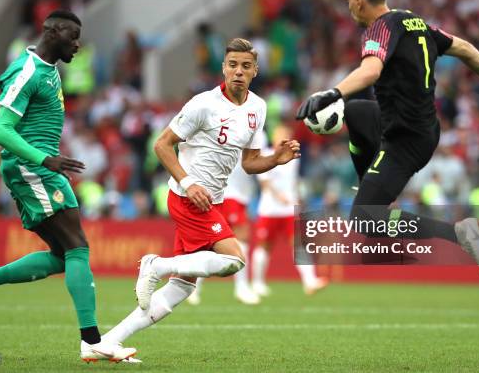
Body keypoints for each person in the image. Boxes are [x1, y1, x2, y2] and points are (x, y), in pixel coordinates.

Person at [296, 0, 479, 273]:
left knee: (363, 220)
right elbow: (465, 48)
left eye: (349, 0)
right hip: (407, 123)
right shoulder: (412, 21)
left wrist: (333, 93)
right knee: (354, 112)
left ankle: (458, 232)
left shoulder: (379, 28)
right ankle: (371, 186)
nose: (348, 6)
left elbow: (371, 71)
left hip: (407, 139)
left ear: (361, 1)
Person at [0, 10, 136, 363]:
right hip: (32, 168)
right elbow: (0, 130)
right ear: (52, 32)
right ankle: (92, 341)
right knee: (78, 248)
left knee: (63, 255)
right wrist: (43, 159)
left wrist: (47, 158)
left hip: (39, 166)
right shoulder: (28, 70)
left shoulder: (49, 69)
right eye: (73, 36)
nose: (78, 45)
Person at [101, 38, 300, 349]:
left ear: (255, 71)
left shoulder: (258, 108)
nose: (238, 71)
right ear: (223, 68)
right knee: (234, 259)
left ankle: (109, 341)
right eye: (232, 64)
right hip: (186, 197)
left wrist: (275, 159)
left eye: (245, 66)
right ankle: (156, 265)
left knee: (180, 289)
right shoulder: (203, 104)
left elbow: (249, 163)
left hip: (213, 201)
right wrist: (188, 182)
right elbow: (161, 145)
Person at [251, 123, 328, 297]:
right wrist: (279, 196)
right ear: (275, 138)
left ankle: (310, 281)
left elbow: (294, 181)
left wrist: (297, 198)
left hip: (289, 210)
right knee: (264, 246)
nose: (284, 139)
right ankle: (257, 282)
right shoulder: (265, 155)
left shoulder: (294, 158)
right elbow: (264, 182)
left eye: (287, 135)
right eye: (281, 135)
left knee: (299, 245)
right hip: (269, 209)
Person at [187, 158, 260, 305]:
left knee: (213, 244)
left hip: (237, 196)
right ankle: (241, 288)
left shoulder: (257, 137)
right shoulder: (244, 136)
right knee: (238, 240)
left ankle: (194, 288)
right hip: (228, 195)